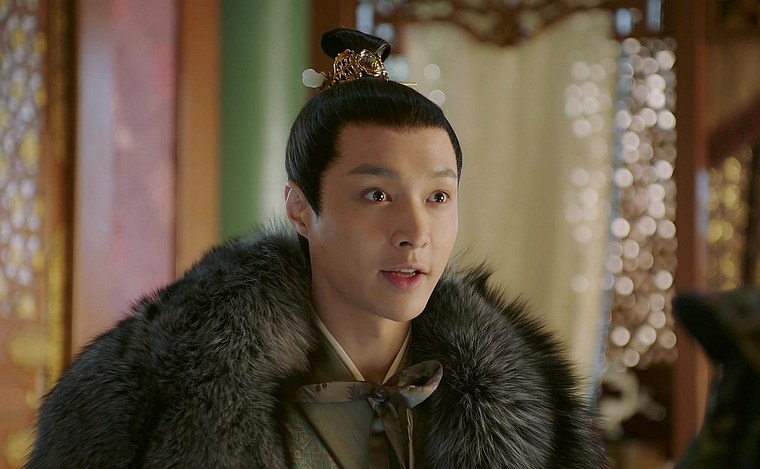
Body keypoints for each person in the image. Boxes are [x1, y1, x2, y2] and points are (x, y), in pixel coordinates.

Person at [28, 28, 605, 468]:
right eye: (376, 195)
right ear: (301, 208)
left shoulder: (536, 416)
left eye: (437, 197)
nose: (415, 231)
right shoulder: (147, 394)